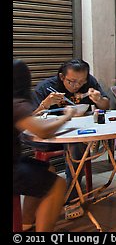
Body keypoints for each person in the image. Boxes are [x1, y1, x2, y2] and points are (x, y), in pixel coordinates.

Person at [28, 58, 110, 215]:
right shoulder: (46, 88)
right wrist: (45, 104)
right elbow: (30, 118)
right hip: (50, 136)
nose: (76, 86)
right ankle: (70, 196)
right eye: (71, 82)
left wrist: (99, 99)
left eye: (81, 82)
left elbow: (106, 105)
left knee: (76, 144)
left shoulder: (89, 82)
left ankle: (71, 197)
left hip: (77, 132)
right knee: (77, 146)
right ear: (61, 77)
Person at [13, 59, 79, 232]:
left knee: (47, 169)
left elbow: (24, 120)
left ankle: (26, 223)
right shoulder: (17, 103)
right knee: (57, 185)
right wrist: (67, 116)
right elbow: (43, 131)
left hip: (16, 160)